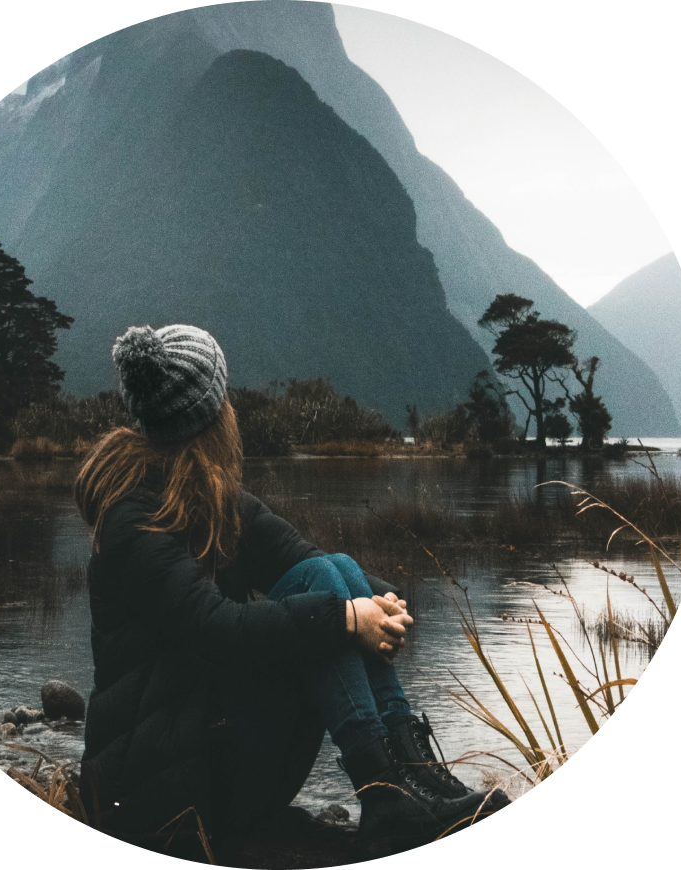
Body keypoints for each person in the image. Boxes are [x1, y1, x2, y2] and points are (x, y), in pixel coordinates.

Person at [75, 324, 508, 849]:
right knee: (326, 594)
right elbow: (219, 628)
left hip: (203, 759)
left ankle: (411, 775)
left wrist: (382, 601)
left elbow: (305, 559)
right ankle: (383, 789)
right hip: (153, 798)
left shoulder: (214, 500)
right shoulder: (132, 521)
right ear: (211, 416)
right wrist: (349, 619)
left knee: (336, 567)